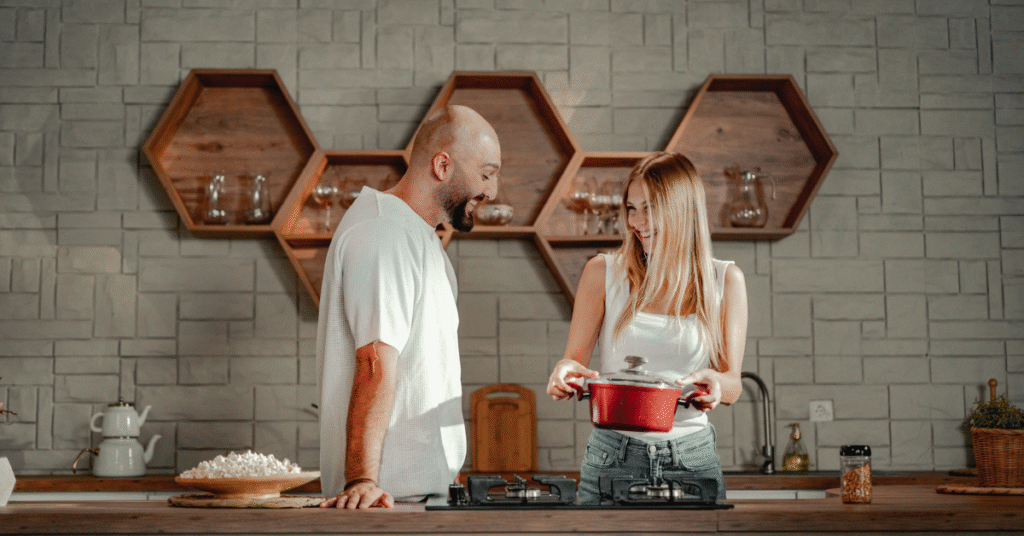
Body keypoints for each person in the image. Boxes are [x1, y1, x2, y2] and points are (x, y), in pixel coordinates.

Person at [317, 105, 501, 509]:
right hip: (383, 505)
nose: (492, 191)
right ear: (442, 165)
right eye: (486, 173)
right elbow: (374, 361)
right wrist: (361, 480)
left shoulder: (422, 241)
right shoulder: (384, 232)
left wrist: (446, 470)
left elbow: (426, 374)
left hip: (420, 500)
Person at [546, 151, 748, 504]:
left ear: (683, 210)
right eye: (631, 208)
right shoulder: (602, 273)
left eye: (650, 207)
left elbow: (733, 383)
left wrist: (717, 383)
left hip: (692, 458)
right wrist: (564, 372)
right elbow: (574, 362)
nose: (637, 221)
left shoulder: (724, 280)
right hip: (613, 456)